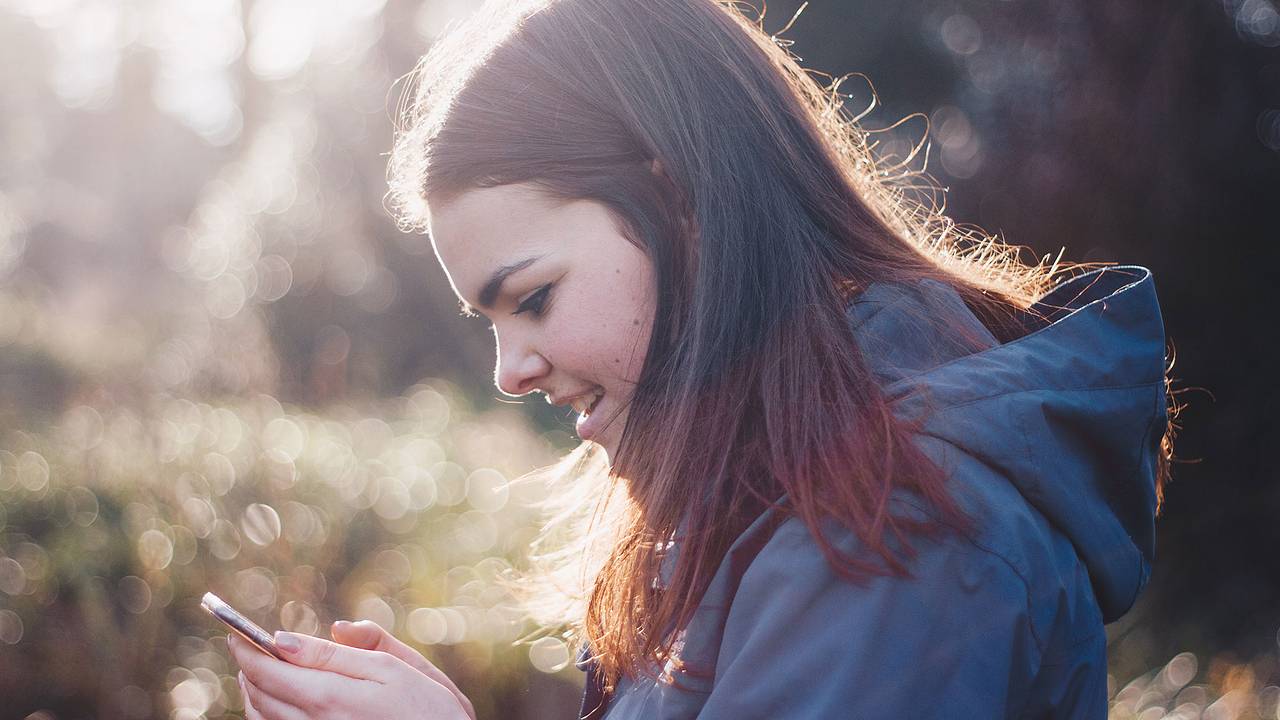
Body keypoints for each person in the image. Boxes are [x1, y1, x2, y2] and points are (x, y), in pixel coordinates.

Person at [227, 0, 1176, 717]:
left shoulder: (897, 535)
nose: (509, 369)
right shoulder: (776, 496)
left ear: (681, 206)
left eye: (533, 299)